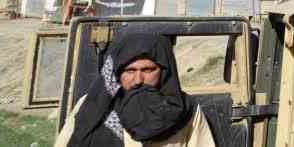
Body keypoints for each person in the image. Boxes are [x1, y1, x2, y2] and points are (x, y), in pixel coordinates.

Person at [56, 32, 216, 146]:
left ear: (164, 72)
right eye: (130, 71)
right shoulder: (93, 106)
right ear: (117, 73)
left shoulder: (186, 110)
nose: (138, 80)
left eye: (148, 70)